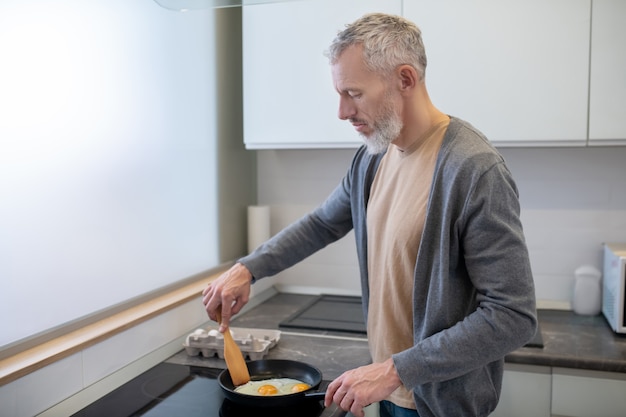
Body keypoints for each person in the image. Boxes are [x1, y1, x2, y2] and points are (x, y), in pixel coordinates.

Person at [202, 12, 537, 417]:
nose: (343, 111)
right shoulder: (373, 157)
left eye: (354, 93)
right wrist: (247, 269)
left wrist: (395, 370)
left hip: (438, 404)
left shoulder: (473, 170)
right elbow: (323, 223)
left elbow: (513, 315)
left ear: (406, 80)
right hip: (387, 392)